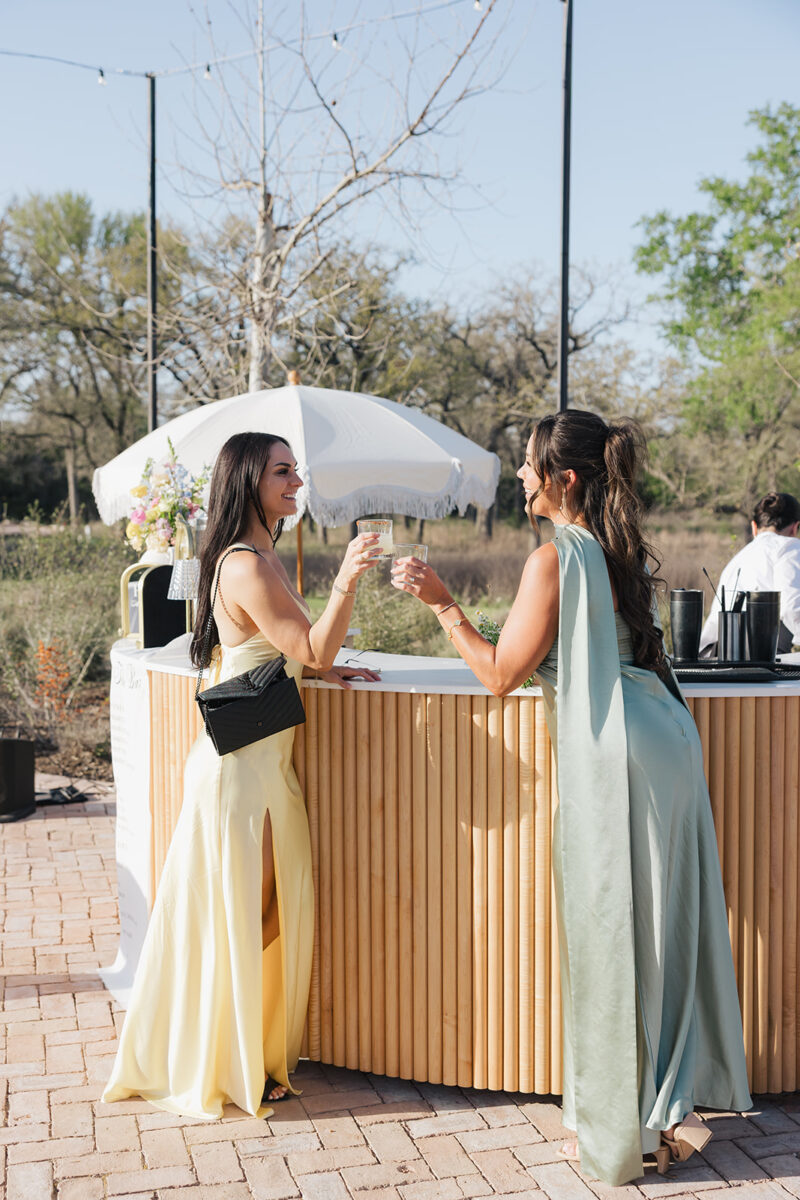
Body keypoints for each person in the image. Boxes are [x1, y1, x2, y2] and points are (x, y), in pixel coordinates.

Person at [391, 410, 751, 1186]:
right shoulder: (613, 548)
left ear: (565, 479)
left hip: (619, 756)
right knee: (662, 937)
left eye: (528, 465)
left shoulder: (553, 558)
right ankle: (656, 1116)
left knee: (614, 936)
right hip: (665, 742)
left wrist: (441, 602)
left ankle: (634, 1132)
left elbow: (499, 673)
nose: (520, 476)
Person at [103, 431, 380, 1119]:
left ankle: (247, 1057)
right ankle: (234, 1065)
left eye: (296, 471)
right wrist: (346, 579)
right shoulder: (248, 564)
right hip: (240, 777)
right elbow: (310, 644)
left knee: (259, 918)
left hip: (262, 768)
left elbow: (297, 653)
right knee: (247, 920)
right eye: (282, 472)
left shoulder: (262, 556)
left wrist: (321, 665)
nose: (296, 482)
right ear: (249, 480)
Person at [699, 492, 800, 655]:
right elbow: (792, 608)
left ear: (754, 527)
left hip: (711, 654)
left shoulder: (736, 560)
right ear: (795, 528)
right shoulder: (790, 546)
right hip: (756, 659)